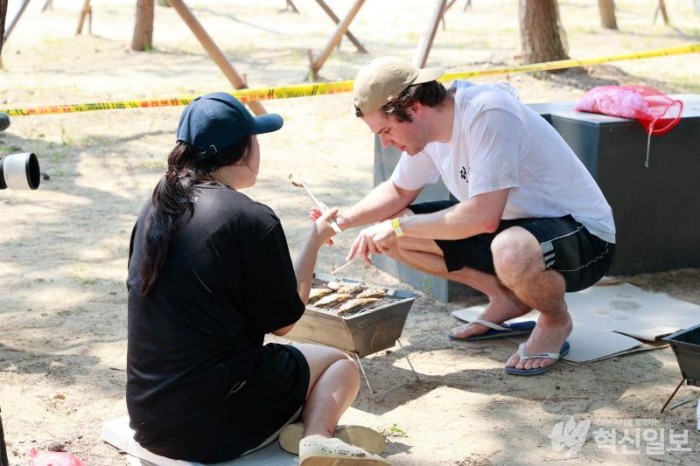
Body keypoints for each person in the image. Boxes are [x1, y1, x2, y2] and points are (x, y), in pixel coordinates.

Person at [126, 92, 388, 465]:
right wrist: (313, 241)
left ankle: (300, 430)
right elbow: (285, 322)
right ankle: (317, 438)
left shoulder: (155, 208)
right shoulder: (250, 217)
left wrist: (313, 237)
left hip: (150, 420)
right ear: (244, 148)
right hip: (213, 426)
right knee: (339, 364)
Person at [323, 56, 615, 377]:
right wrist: (344, 219)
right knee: (392, 235)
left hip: (584, 236)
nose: (386, 142)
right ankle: (506, 298)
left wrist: (397, 226)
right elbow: (397, 191)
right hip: (511, 229)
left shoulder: (487, 112)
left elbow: (483, 216)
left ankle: (555, 319)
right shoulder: (430, 132)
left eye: (387, 130)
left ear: (415, 107)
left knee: (505, 249)